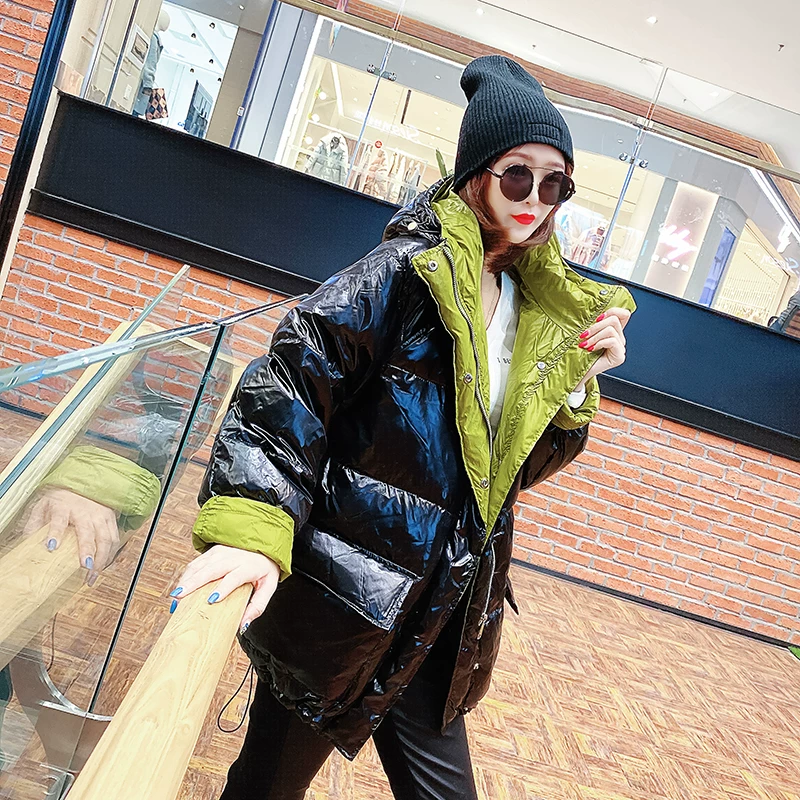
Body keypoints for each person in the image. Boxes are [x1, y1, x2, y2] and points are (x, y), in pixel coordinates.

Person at [172, 55, 636, 799]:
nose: (535, 199)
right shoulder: (407, 273)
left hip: (441, 617)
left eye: (555, 184)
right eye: (518, 174)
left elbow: (509, 475)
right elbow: (293, 380)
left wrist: (577, 384)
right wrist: (253, 524)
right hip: (343, 604)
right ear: (477, 173)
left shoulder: (535, 308)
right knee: (264, 789)